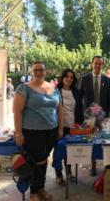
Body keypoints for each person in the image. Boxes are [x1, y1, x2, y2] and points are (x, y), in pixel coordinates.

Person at [13, 61, 63, 201]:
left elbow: (59, 110)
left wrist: (60, 128)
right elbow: (17, 112)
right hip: (32, 131)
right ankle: (35, 192)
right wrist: (18, 133)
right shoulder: (24, 88)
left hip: (51, 131)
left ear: (45, 71)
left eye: (41, 69)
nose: (39, 72)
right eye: (36, 70)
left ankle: (38, 188)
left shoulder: (53, 88)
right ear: (31, 72)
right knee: (39, 161)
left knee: (41, 160)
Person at [78, 56, 110, 176]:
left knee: (105, 140)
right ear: (92, 64)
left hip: (103, 115)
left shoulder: (106, 80)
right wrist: (81, 113)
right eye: (96, 63)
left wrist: (108, 115)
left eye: (100, 64)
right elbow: (79, 96)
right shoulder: (84, 78)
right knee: (91, 139)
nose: (98, 65)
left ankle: (107, 164)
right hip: (89, 116)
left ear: (102, 65)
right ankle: (92, 166)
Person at [54, 69, 83, 185]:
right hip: (59, 126)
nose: (69, 79)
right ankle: (59, 175)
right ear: (62, 78)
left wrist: (80, 125)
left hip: (73, 127)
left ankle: (69, 172)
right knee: (58, 151)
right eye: (67, 77)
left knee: (69, 151)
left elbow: (80, 108)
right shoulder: (56, 91)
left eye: (71, 77)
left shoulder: (76, 91)